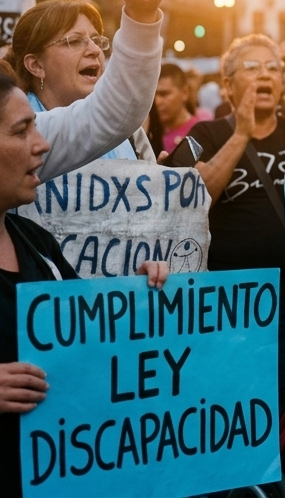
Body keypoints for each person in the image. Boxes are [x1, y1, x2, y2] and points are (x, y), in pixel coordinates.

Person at [0, 61, 169, 497]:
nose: (41, 146)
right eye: (21, 132)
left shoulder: (35, 243)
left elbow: (90, 335)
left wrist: (136, 294)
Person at [186, 33, 285, 404]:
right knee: (232, 400)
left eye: (273, 68)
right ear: (228, 85)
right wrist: (241, 135)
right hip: (229, 304)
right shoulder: (206, 134)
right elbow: (189, 204)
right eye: (252, 68)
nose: (265, 75)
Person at [5, 0, 169, 173]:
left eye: (96, 40)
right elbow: (113, 112)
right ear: (36, 65)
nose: (94, 50)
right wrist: (140, 14)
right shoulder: (17, 132)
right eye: (74, 41)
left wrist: (157, 183)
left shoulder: (130, 133)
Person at [154, 62, 211, 154]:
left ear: (185, 92)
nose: (157, 102)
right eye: (153, 95)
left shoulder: (202, 134)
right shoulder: (149, 134)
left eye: (164, 94)